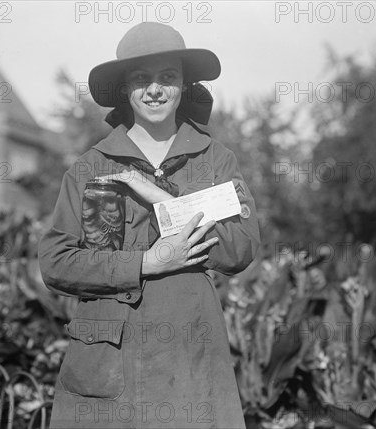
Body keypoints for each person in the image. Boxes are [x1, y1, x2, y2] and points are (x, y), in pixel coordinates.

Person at [39, 22, 260, 428]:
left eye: (167, 77)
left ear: (183, 86)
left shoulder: (216, 160)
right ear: (125, 88)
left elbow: (242, 247)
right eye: (141, 78)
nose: (154, 89)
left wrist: (166, 201)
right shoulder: (92, 165)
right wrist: (145, 264)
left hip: (189, 354)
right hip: (110, 358)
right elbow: (56, 263)